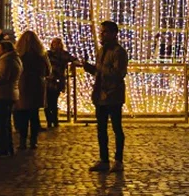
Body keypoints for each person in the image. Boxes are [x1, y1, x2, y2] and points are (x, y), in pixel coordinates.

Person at [81, 20, 129, 172]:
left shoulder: (119, 52)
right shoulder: (101, 51)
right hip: (100, 95)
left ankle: (118, 160)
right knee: (101, 129)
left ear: (114, 34)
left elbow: (117, 73)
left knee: (116, 128)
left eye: (105, 32)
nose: (102, 35)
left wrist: (99, 68)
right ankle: (104, 159)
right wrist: (90, 69)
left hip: (113, 95)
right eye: (101, 32)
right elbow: (99, 72)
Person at [14, 30, 50, 150]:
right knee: (34, 114)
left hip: (23, 85)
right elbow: (48, 70)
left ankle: (23, 141)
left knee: (23, 114)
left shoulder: (19, 54)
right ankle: (33, 140)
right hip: (36, 85)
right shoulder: (41, 55)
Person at [46, 38, 76, 128]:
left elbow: (73, 59)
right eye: (54, 43)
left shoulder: (63, 54)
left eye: (57, 43)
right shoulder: (48, 54)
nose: (55, 45)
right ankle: (50, 120)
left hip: (56, 81)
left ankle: (54, 120)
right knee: (47, 102)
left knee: (53, 101)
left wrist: (73, 64)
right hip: (49, 80)